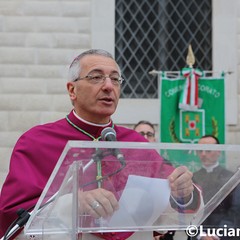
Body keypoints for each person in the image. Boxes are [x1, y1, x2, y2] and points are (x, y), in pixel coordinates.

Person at [0, 49, 201, 240]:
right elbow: (14, 221)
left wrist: (183, 192)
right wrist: (73, 203)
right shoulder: (37, 141)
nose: (108, 86)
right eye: (96, 77)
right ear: (72, 90)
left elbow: (169, 210)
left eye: (115, 79)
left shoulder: (136, 143)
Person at [188, 135, 239, 240]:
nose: (203, 154)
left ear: (219, 152)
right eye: (199, 151)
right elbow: (186, 212)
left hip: (226, 235)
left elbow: (235, 209)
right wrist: (200, 235)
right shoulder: (191, 178)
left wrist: (217, 235)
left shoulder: (232, 178)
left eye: (208, 150)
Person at [133, 120, 176, 240]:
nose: (145, 137)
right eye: (140, 134)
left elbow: (171, 200)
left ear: (154, 140)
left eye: (149, 134)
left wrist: (159, 230)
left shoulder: (165, 164)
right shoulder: (121, 163)